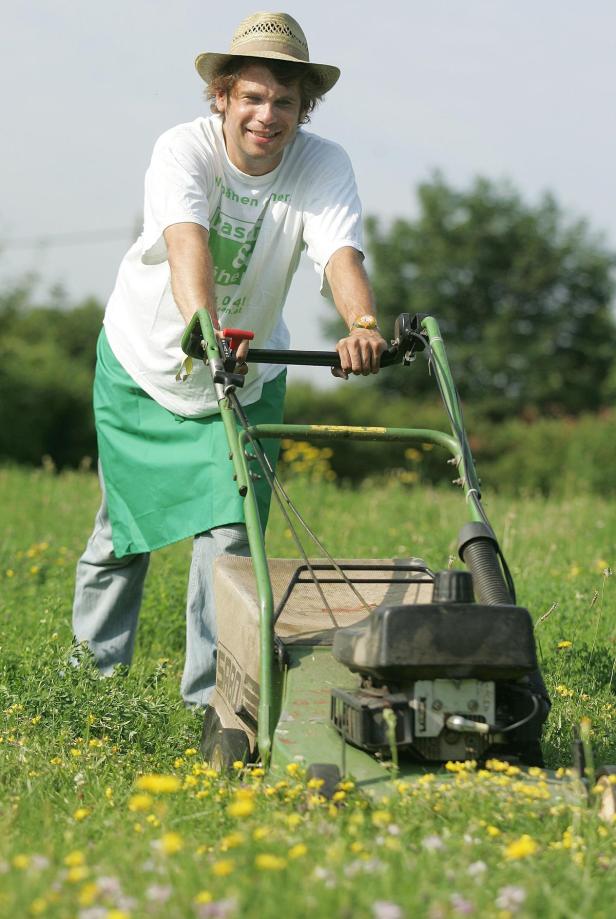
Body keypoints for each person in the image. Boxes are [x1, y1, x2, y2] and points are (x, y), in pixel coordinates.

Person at [72, 11, 387, 707]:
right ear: (221, 95)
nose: (267, 115)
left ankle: (215, 704)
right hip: (148, 361)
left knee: (231, 541)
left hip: (245, 374)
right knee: (121, 531)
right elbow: (187, 241)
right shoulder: (181, 150)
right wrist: (205, 327)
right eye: (252, 96)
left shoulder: (322, 162)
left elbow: (339, 252)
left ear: (305, 107)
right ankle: (89, 688)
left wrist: (361, 323)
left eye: (284, 101)